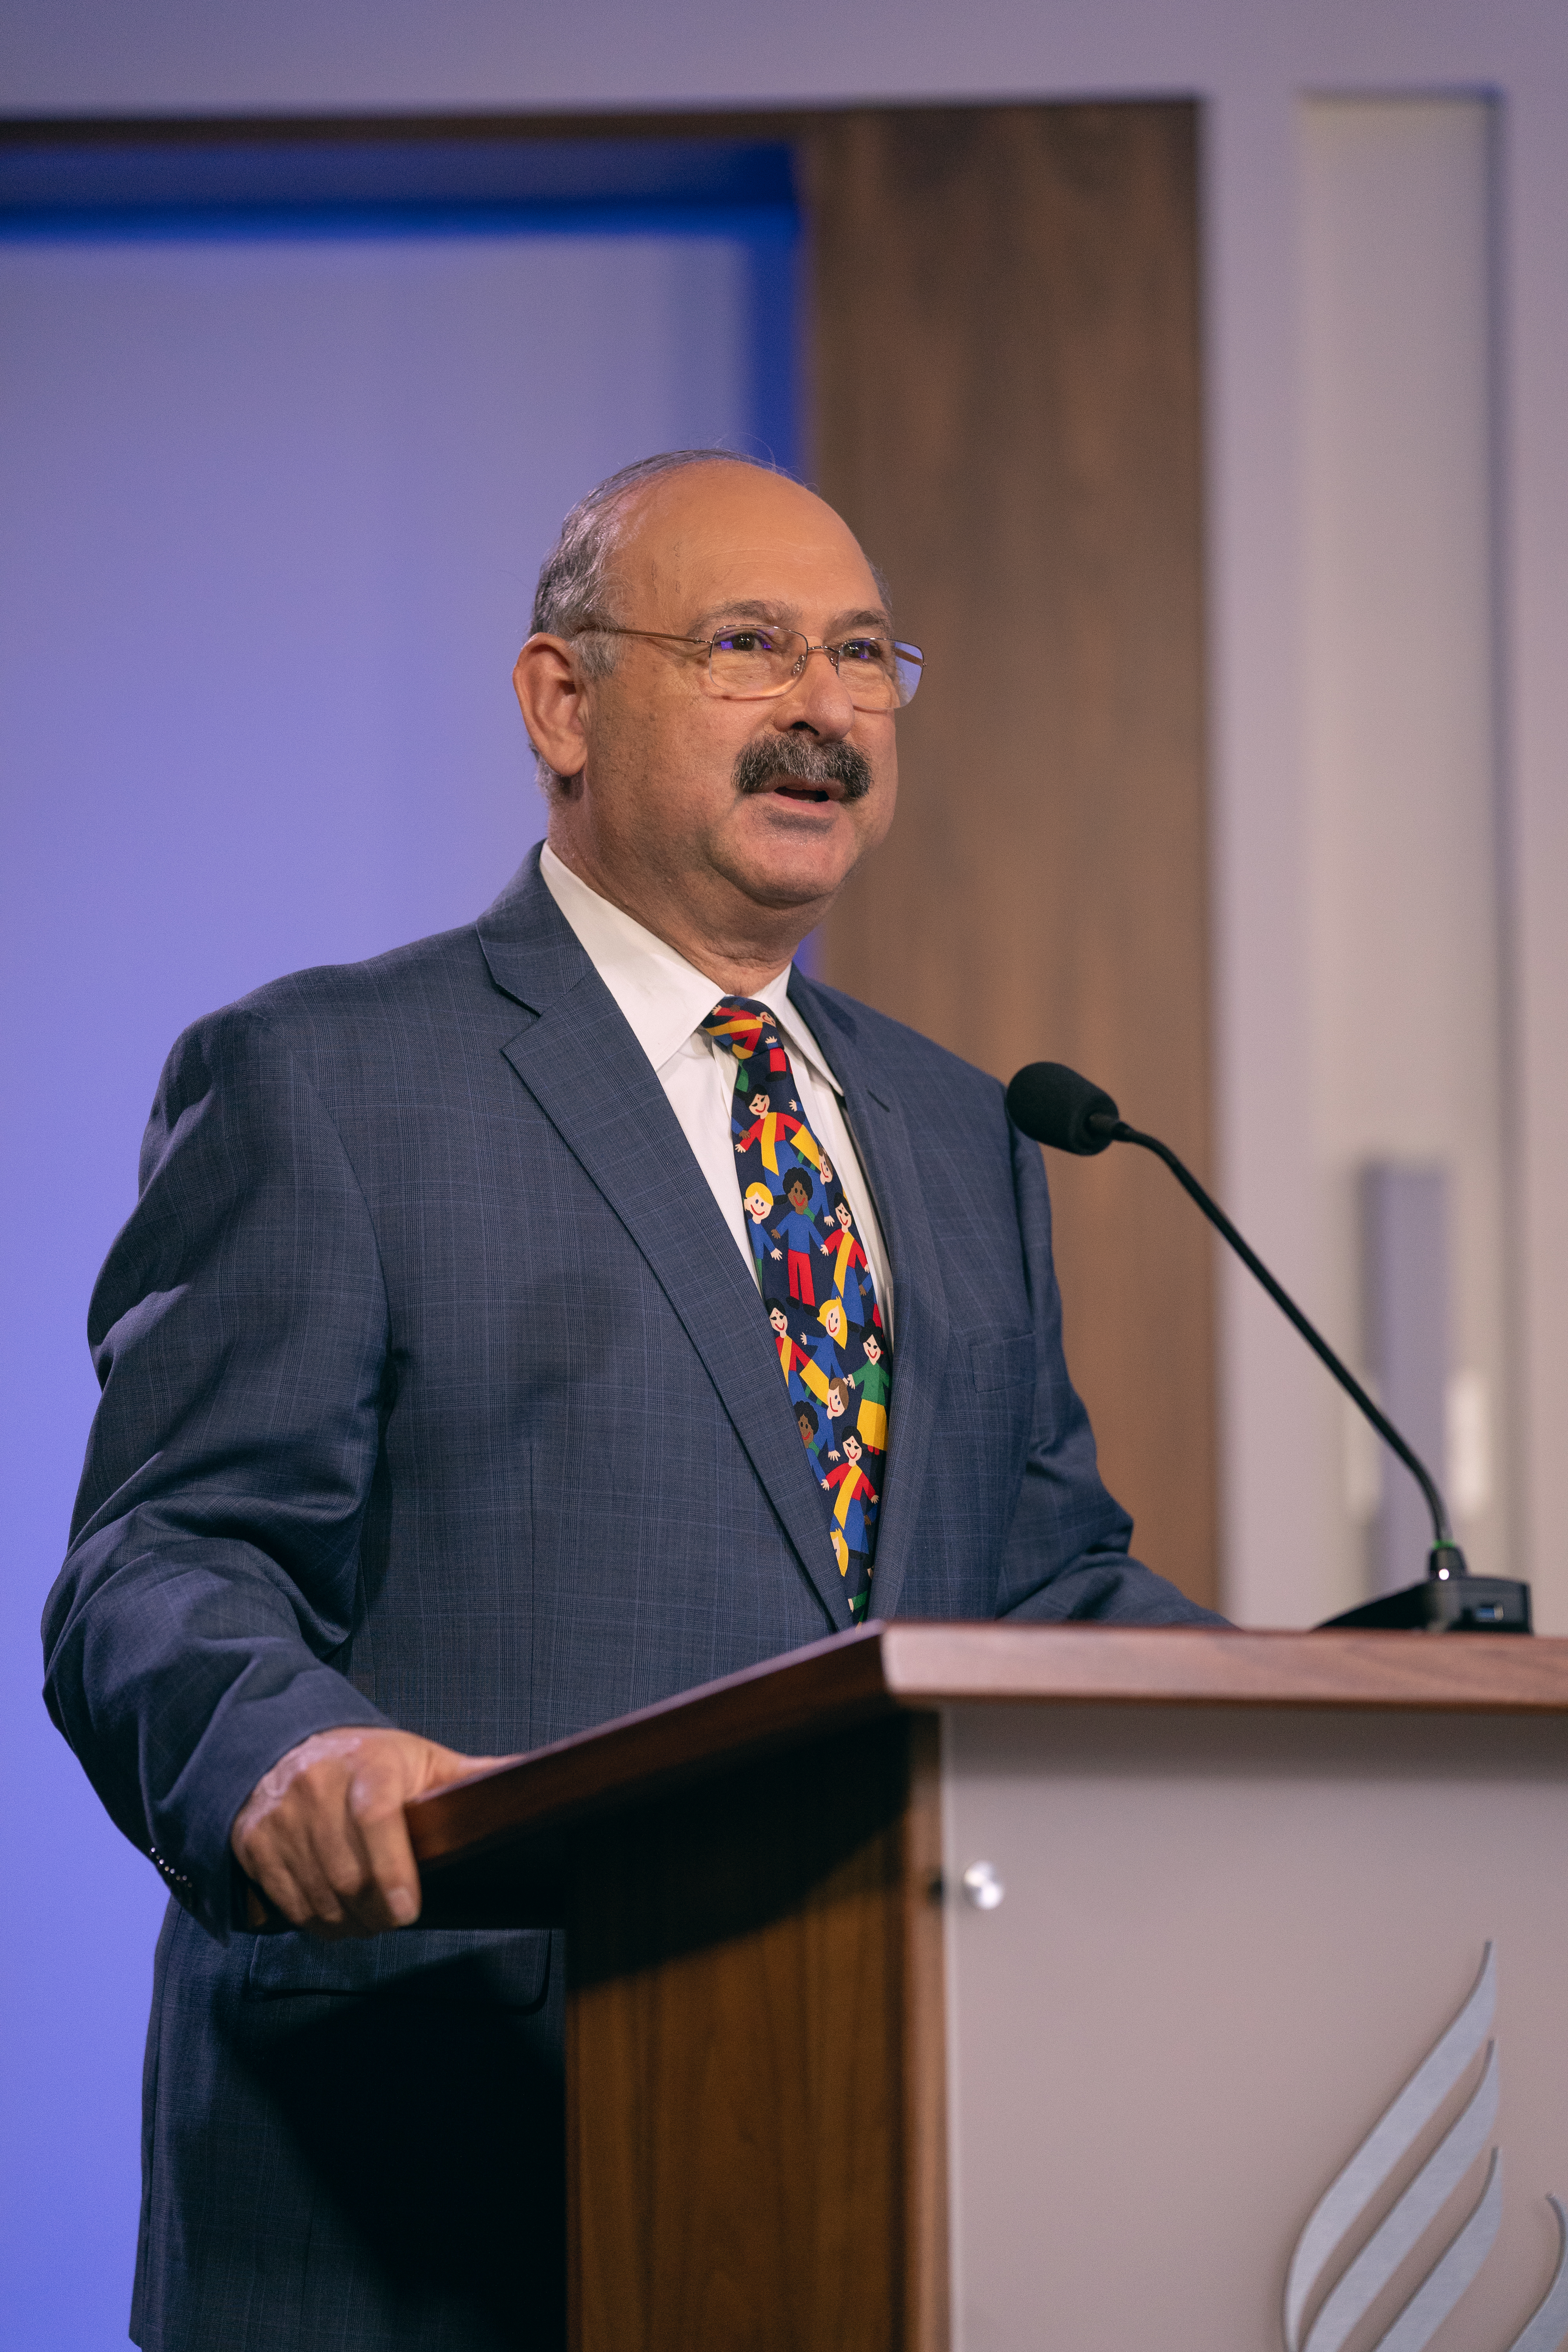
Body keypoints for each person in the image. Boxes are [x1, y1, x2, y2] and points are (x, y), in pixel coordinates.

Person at [42, 448, 1221, 2352]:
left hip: (857, 2155)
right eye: (750, 647)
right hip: (418, 2167)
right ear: (560, 702)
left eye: (862, 658)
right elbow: (166, 1560)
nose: (826, 711)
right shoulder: (326, 1078)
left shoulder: (958, 1125)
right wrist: (286, 1755)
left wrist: (1305, 1743)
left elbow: (1040, 1580)